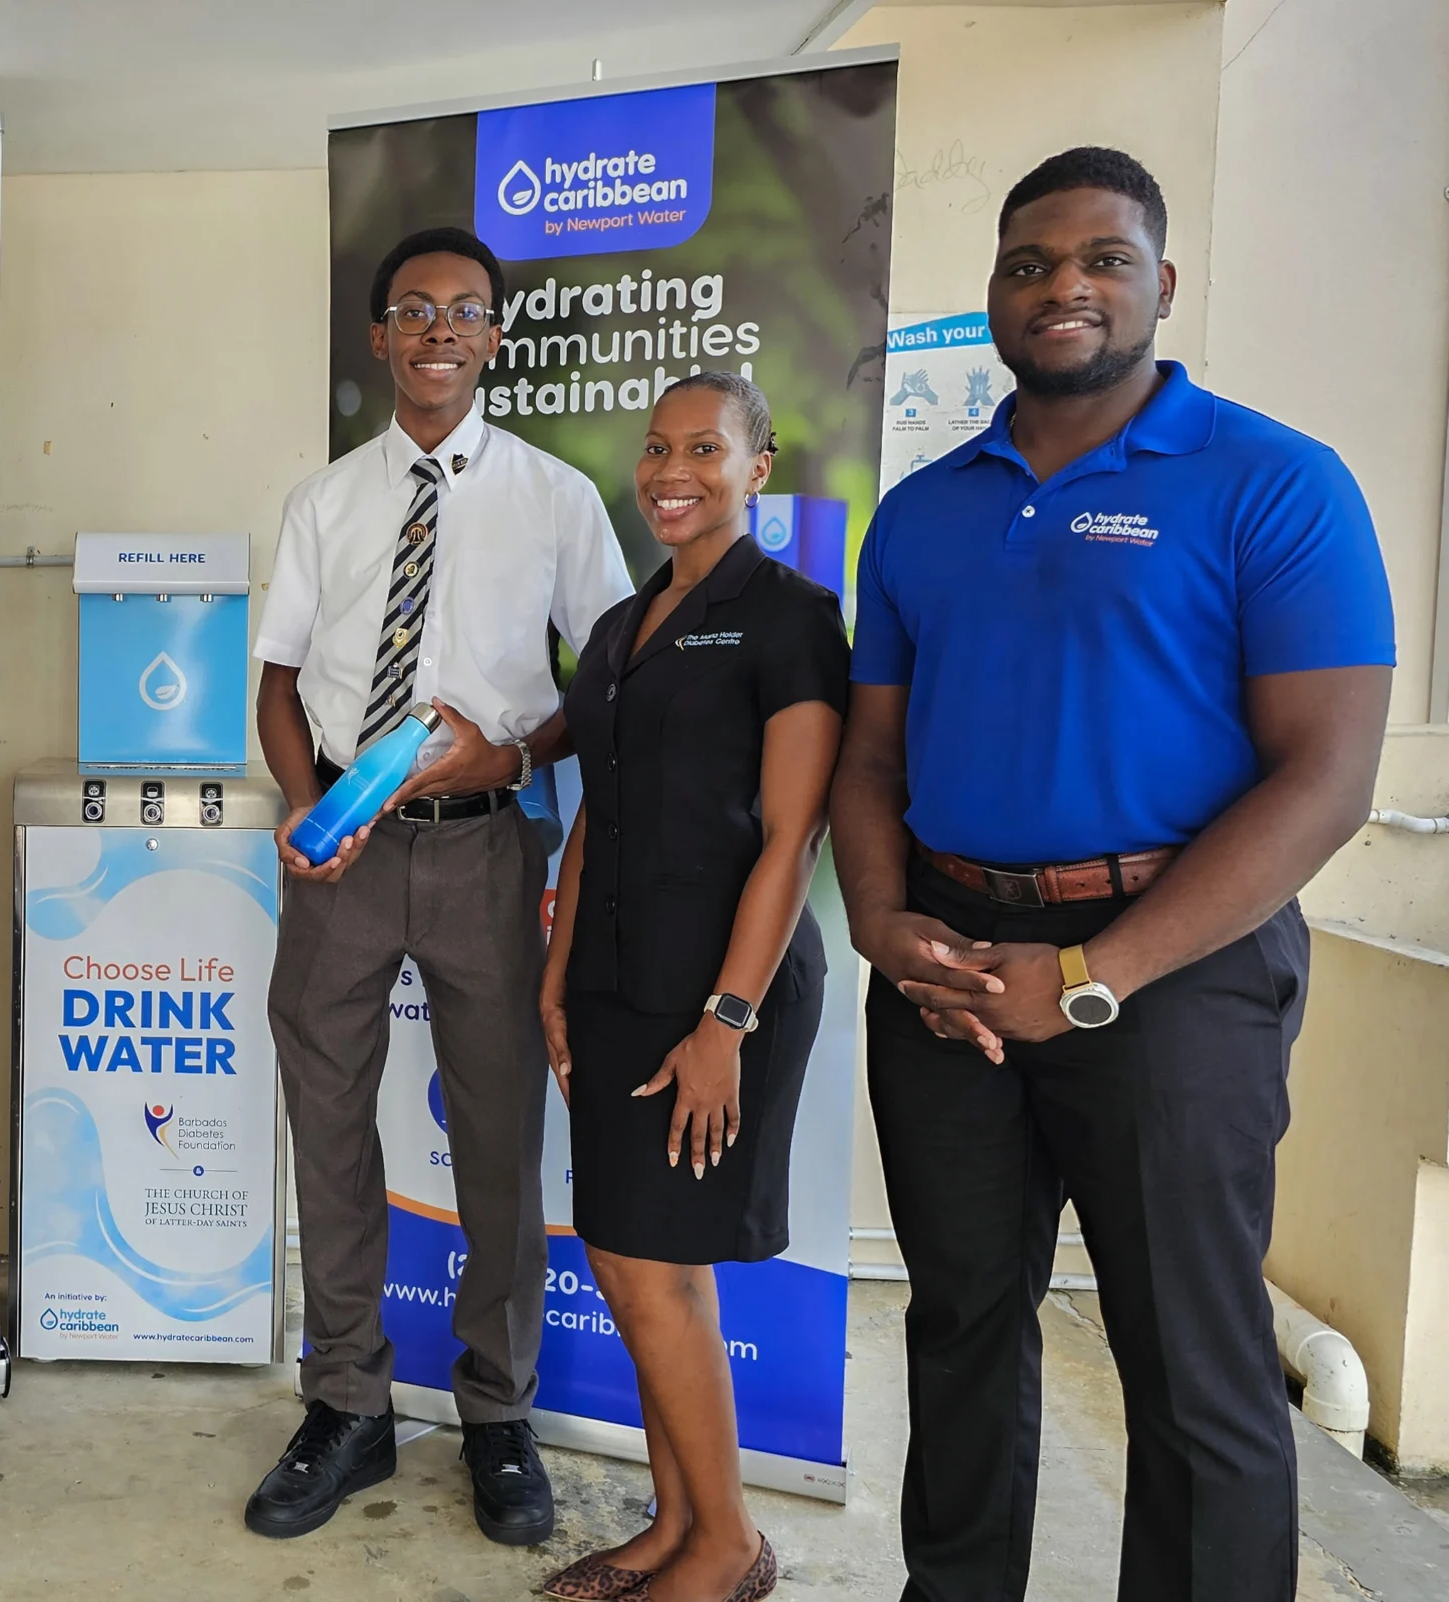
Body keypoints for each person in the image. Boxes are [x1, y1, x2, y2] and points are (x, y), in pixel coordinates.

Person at [831, 147, 1394, 1602]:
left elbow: (1326, 780)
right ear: (998, 292)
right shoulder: (926, 509)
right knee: (957, 1321)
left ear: (1163, 283)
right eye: (1031, 263)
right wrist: (889, 922)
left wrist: (1088, 976)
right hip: (946, 960)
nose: (1064, 286)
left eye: (1102, 259)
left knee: (1189, 1357)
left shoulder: (1276, 480)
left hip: (1177, 962)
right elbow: (871, 760)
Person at [246, 226, 632, 1546]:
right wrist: (309, 808)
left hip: (487, 840)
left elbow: (610, 685)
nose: (439, 331)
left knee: (500, 1139)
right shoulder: (327, 500)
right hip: (346, 845)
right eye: (415, 310)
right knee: (330, 1122)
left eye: (465, 311)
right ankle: (347, 1403)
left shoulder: (557, 498)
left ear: (493, 338)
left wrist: (514, 750)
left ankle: (497, 1411)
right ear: (380, 337)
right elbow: (279, 682)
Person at [535, 373, 845, 1602]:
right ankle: (676, 1523)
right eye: (657, 448)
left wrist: (727, 1019)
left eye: (704, 448)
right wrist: (556, 983)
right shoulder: (618, 629)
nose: (672, 469)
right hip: (612, 982)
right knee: (625, 1261)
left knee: (658, 1267)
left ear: (757, 466)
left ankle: (727, 1546)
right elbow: (587, 825)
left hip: (722, 993)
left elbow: (793, 834)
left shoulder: (788, 616)